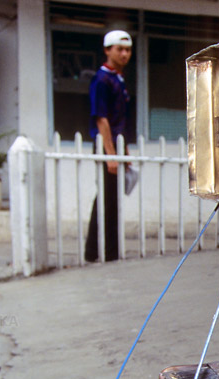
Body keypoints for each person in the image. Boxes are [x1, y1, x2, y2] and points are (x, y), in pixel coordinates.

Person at [84, 29, 132, 263]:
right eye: (119, 49)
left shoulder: (118, 79)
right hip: (106, 146)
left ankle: (110, 251)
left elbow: (119, 121)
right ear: (107, 50)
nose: (124, 54)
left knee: (112, 198)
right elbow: (101, 119)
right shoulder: (102, 79)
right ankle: (95, 252)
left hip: (116, 145)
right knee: (105, 197)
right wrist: (111, 155)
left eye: (128, 50)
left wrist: (125, 152)